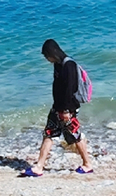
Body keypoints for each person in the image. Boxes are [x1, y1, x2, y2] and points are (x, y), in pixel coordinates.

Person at [25, 38, 95, 176]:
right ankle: (39, 167)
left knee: (75, 135)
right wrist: (57, 108)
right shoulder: (58, 65)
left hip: (68, 109)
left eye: (47, 55)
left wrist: (66, 111)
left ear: (53, 53)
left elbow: (70, 90)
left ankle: (87, 164)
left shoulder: (69, 65)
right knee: (48, 134)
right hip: (57, 108)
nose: (47, 59)